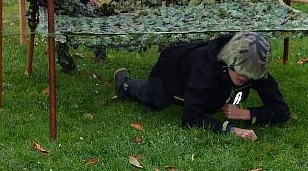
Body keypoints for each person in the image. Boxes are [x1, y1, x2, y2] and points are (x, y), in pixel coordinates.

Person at [114, 31, 289, 141]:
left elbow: (281, 111)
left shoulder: (253, 66)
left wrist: (247, 114)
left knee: (212, 102)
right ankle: (125, 83)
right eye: (239, 71)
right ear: (227, 61)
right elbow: (191, 118)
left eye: (249, 75)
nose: (244, 77)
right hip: (172, 68)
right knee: (156, 99)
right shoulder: (205, 67)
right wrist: (231, 130)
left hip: (211, 83)